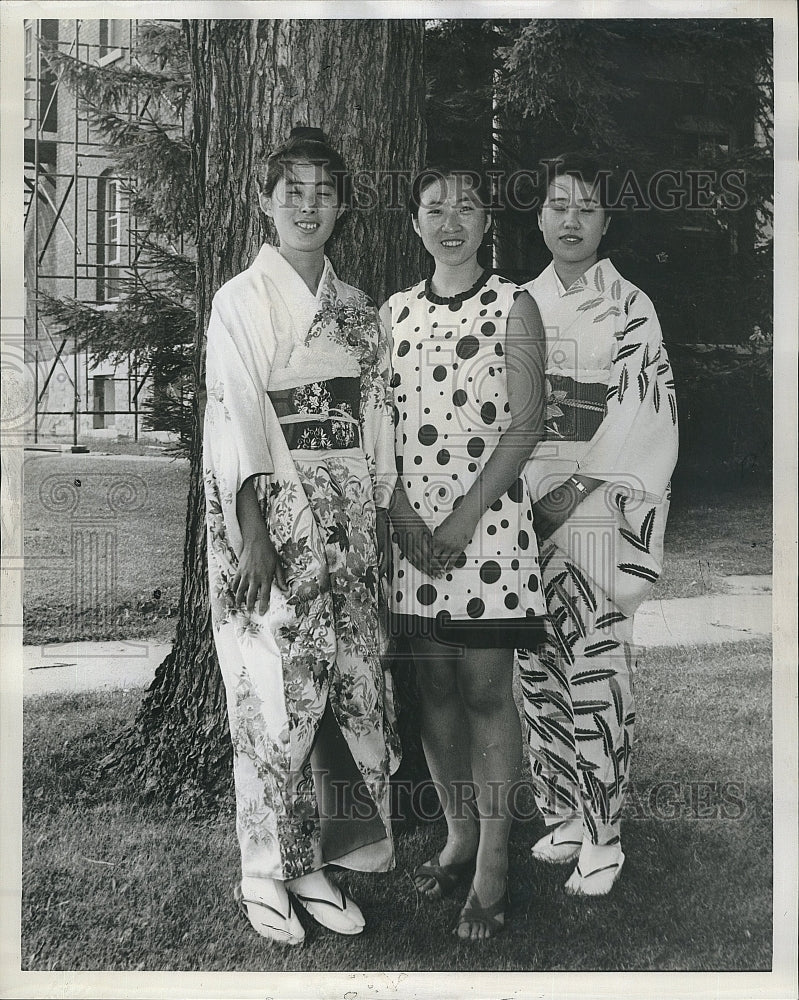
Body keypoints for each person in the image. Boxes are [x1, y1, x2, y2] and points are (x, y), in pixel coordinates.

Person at [202, 127, 400, 945]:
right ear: (265, 200)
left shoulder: (356, 312)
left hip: (349, 521)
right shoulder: (240, 301)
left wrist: (380, 514)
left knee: (342, 692)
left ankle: (315, 860)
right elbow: (234, 418)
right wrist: (253, 532)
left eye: (324, 192)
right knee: (273, 697)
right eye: (293, 191)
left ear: (343, 205)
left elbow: (376, 421)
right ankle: (262, 871)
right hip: (272, 525)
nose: (308, 206)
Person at [382, 166, 547, 940]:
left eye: (467, 209)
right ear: (415, 224)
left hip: (487, 534)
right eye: (434, 210)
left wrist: (460, 522)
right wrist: (405, 516)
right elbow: (377, 427)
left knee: (485, 691)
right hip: (410, 532)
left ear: (487, 223)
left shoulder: (513, 305)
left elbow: (524, 425)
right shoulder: (393, 314)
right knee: (433, 693)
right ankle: (455, 830)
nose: (451, 223)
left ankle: (493, 863)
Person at [517, 153, 679, 896]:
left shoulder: (630, 306)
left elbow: (644, 418)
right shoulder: (517, 300)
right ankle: (562, 813)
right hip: (518, 504)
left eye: (586, 207)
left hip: (595, 510)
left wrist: (568, 492)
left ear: (605, 220)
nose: (570, 219)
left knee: (594, 666)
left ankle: (604, 832)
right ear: (540, 215)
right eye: (558, 205)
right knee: (535, 666)